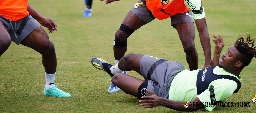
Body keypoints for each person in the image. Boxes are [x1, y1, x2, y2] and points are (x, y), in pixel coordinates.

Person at [100, 0, 212, 93]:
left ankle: (193, 80)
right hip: (150, 3)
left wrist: (207, 62)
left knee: (190, 46)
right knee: (120, 35)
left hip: (179, 10)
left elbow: (203, 30)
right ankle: (119, 71)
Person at [91, 33, 256, 111]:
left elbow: (193, 105)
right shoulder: (225, 68)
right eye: (227, 52)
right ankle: (111, 68)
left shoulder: (226, 85)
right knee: (128, 58)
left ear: (238, 63)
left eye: (229, 55)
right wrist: (218, 52)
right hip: (172, 71)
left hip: (164, 92)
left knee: (118, 79)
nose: (225, 56)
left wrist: (160, 101)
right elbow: (212, 70)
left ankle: (113, 73)